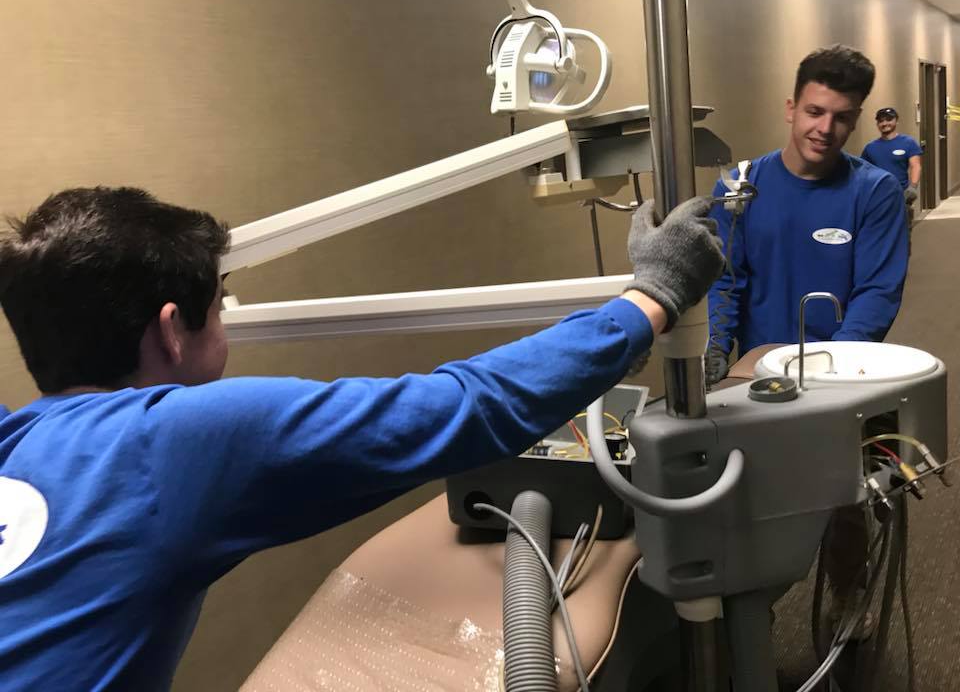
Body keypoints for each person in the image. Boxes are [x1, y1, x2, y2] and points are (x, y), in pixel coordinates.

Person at [0, 186, 723, 689]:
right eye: (219, 307)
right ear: (169, 329)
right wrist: (652, 296)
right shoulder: (167, 440)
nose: (227, 322)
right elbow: (466, 407)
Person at [705, 44, 909, 636]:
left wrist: (827, 372)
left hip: (836, 377)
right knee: (744, 500)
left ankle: (849, 595)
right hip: (752, 375)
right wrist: (718, 350)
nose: (827, 128)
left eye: (843, 117)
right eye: (816, 112)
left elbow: (876, 294)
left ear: (857, 118)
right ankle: (745, 617)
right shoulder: (741, 185)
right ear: (791, 106)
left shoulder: (873, 193)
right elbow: (725, 279)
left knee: (842, 499)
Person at [861, 107, 923, 223]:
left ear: (896, 121)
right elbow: (863, 171)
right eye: (881, 121)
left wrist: (913, 187)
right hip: (877, 198)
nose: (885, 123)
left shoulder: (908, 142)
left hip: (901, 196)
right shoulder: (870, 147)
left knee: (903, 234)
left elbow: (916, 165)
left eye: (889, 120)